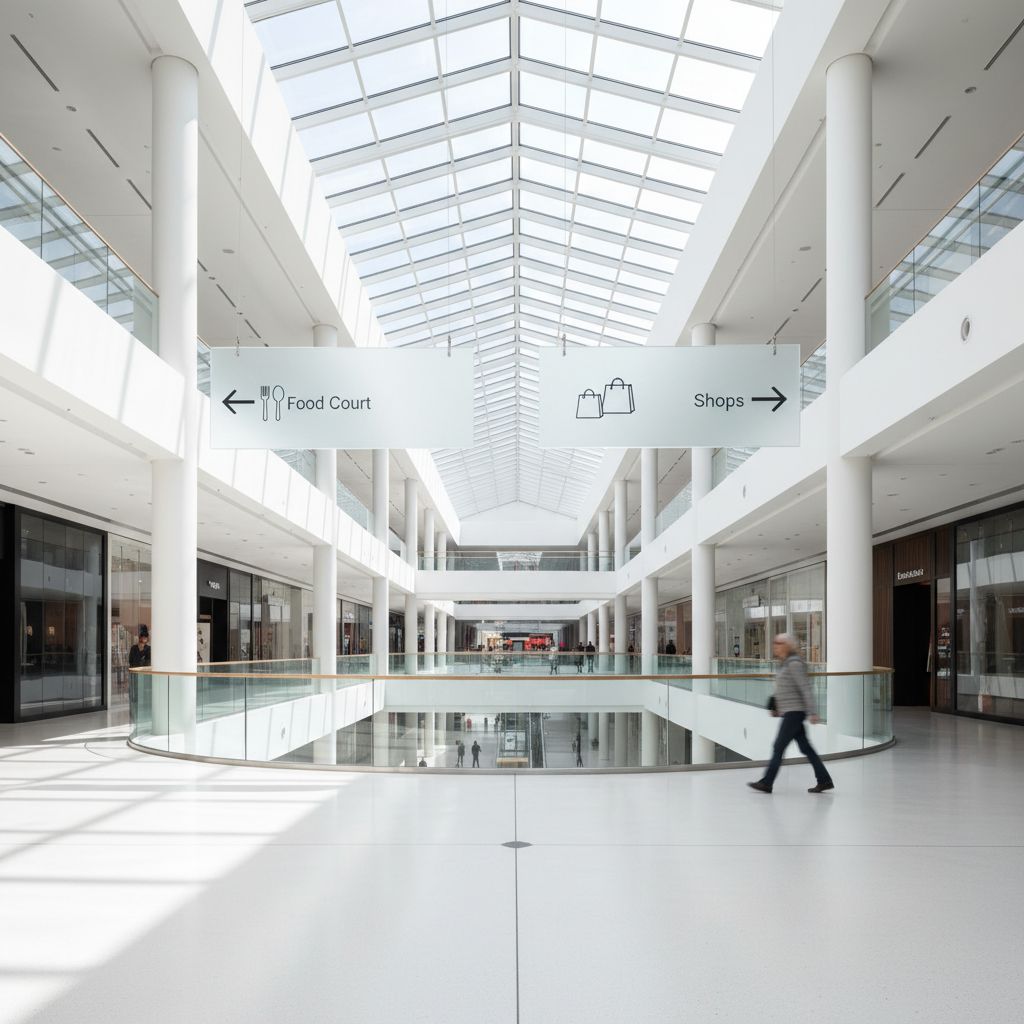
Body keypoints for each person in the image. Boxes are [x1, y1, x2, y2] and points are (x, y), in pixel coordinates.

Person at [748, 634, 834, 794]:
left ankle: (767, 782)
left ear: (788, 645)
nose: (775, 645)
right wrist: (777, 707)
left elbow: (805, 688)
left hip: (794, 713)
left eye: (778, 643)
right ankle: (825, 780)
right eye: (774, 642)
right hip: (790, 712)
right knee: (806, 748)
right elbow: (785, 688)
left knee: (778, 747)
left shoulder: (794, 664)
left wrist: (813, 711)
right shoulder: (785, 663)